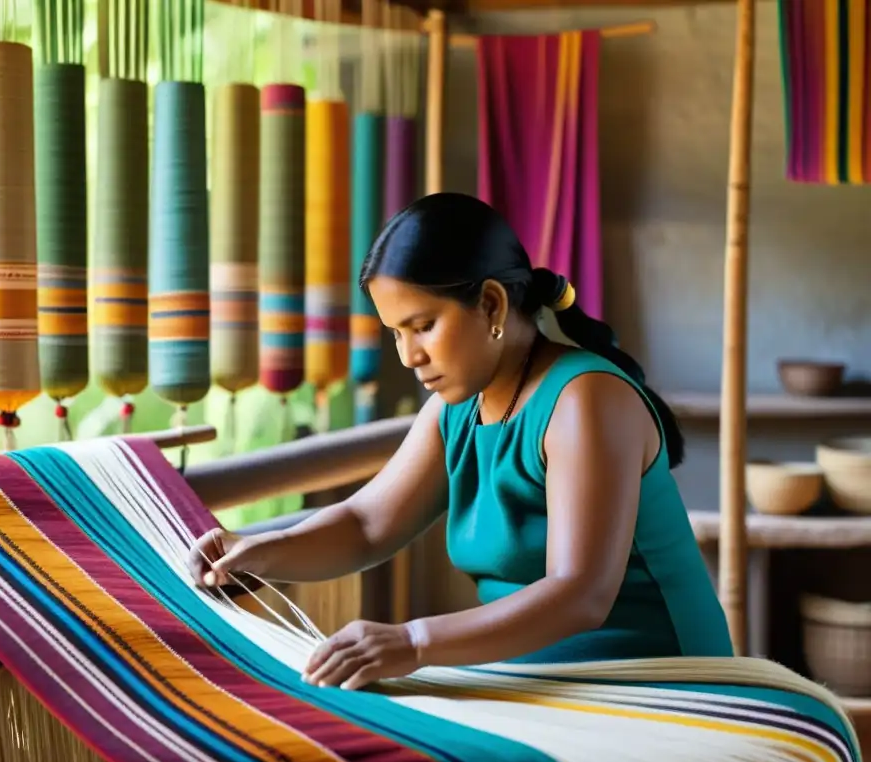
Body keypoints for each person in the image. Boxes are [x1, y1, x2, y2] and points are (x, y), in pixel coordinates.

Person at [188, 191, 733, 692]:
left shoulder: (584, 401)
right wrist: (261, 553)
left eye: (422, 325)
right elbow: (366, 525)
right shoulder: (457, 412)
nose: (408, 356)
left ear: (492, 306)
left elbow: (580, 594)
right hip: (537, 686)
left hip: (660, 685)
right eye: (395, 333)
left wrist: (415, 643)